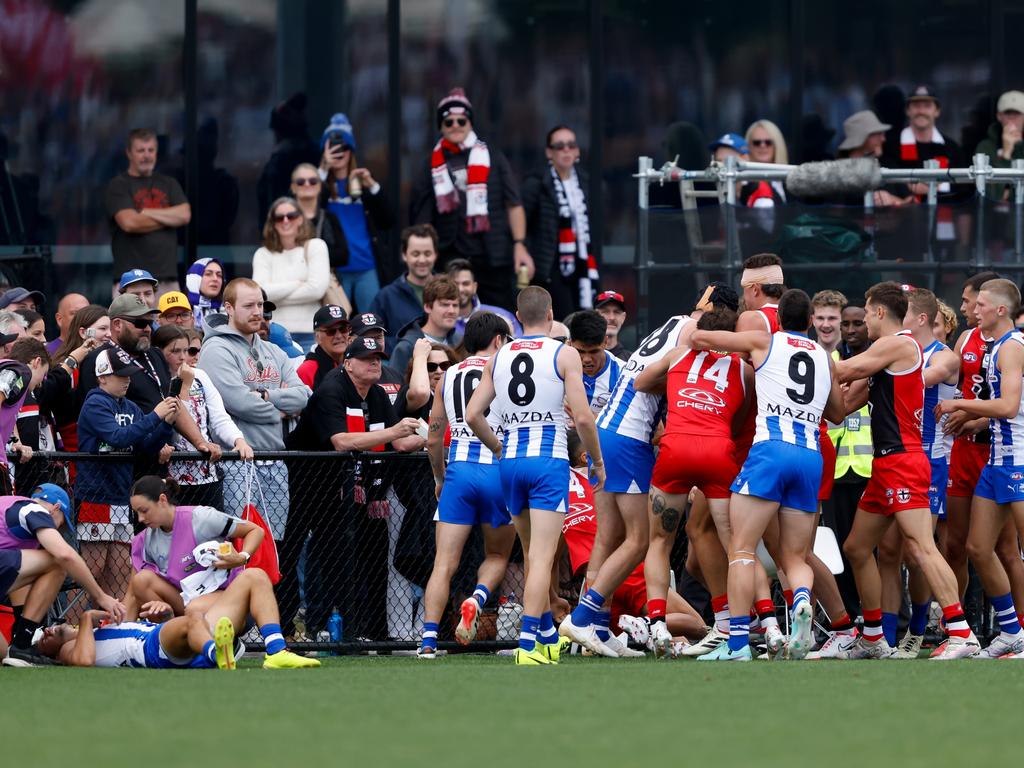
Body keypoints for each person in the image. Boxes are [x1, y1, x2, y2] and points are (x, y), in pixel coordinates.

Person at [690, 289, 844, 661]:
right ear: (809, 322)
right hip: (809, 456)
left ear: (779, 320)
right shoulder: (825, 358)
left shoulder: (765, 340)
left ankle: (738, 644)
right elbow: (837, 412)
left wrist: (707, 328)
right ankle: (802, 601)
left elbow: (701, 337)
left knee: (741, 548)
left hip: (769, 452)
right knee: (795, 557)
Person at [836, 281, 979, 660]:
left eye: (866, 312)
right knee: (857, 546)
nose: (863, 320)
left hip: (903, 460)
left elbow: (847, 369)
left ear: (880, 313)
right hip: (886, 464)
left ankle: (961, 632)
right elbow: (840, 408)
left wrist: (787, 358)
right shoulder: (884, 354)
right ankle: (872, 638)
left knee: (920, 547)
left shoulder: (897, 343)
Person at [466, 287, 604, 665]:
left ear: (516, 316)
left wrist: (497, 447)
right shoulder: (564, 353)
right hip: (547, 460)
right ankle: (528, 644)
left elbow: (473, 415)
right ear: (551, 313)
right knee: (543, 558)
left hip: (510, 462)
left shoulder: (499, 356)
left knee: (530, 554)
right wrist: (597, 462)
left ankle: (544, 635)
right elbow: (584, 416)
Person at [281, 335, 422, 638]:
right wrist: (394, 430)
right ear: (348, 363)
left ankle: (373, 633)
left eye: (378, 358)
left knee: (371, 557)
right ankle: (293, 628)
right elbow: (341, 441)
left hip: (355, 488)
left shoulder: (377, 394)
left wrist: (432, 435)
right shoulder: (332, 389)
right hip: (308, 486)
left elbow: (397, 441)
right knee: (300, 556)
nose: (375, 363)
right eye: (367, 358)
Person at [633, 306, 753, 656]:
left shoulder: (677, 354)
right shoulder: (745, 371)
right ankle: (748, 624)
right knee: (737, 548)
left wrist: (675, 383)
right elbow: (739, 418)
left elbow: (641, 382)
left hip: (675, 448)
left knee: (658, 541)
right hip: (718, 451)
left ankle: (657, 623)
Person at [418, 312, 515, 658]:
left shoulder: (449, 374)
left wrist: (439, 479)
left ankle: (428, 640)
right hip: (496, 470)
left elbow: (432, 437)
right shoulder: (502, 369)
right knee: (498, 553)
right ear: (498, 340)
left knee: (443, 563)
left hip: (458, 472)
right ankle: (476, 599)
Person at [936, 279, 1024, 659]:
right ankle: (1011, 632)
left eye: (981, 304)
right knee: (976, 547)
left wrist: (963, 408)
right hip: (996, 460)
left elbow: (1007, 407)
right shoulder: (992, 346)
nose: (974, 309)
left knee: (1011, 550)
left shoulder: (1013, 347)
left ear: (1000, 311)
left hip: (1018, 459)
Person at [36, 558, 318, 669]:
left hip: (166, 634)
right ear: (49, 652)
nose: (45, 631)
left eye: (43, 629)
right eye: (42, 639)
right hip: (150, 649)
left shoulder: (92, 633)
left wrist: (164, 612)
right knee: (190, 620)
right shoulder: (69, 650)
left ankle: (276, 651)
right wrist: (86, 617)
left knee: (255, 576)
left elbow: (137, 613)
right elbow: (84, 662)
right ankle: (217, 653)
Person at [198, 279, 311, 540]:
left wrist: (264, 395)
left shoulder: (272, 350)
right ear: (228, 307)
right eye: (248, 305)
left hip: (276, 460)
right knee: (237, 545)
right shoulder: (216, 349)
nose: (257, 311)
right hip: (236, 463)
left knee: (270, 547)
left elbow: (303, 396)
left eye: (260, 304)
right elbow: (238, 402)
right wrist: (282, 410)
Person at [883, 287, 959, 658]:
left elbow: (916, 381)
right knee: (887, 550)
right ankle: (881, 636)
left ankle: (922, 630)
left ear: (921, 319)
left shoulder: (944, 356)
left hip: (930, 462)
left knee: (918, 552)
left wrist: (872, 369)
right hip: (898, 458)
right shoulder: (899, 349)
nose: (898, 316)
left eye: (905, 311)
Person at [410, 88, 534, 309]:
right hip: (450, 253)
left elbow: (513, 204)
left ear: (470, 123)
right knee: (450, 311)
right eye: (449, 122)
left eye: (461, 120)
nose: (456, 125)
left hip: (492, 255)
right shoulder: (431, 162)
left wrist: (519, 245)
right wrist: (426, 255)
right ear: (441, 126)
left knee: (500, 314)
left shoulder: (493, 156)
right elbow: (422, 215)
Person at [76, 347, 179, 611]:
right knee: (94, 568)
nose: (127, 380)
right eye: (121, 375)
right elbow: (118, 437)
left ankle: (112, 626)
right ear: (102, 377)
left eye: (129, 375)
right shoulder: (95, 403)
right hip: (95, 495)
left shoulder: (130, 406)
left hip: (122, 497)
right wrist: (155, 415)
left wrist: (166, 423)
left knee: (121, 568)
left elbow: (144, 444)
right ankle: (72, 625)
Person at [1, 485, 127, 667]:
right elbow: (65, 555)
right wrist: (101, 596)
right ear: (56, 509)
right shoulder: (33, 509)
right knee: (58, 562)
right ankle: (21, 645)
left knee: (3, 652)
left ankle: (20, 643)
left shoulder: (10, 508)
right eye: (61, 523)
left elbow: (17, 578)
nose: (58, 528)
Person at [125, 475, 262, 619]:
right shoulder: (144, 539)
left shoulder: (201, 517)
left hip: (227, 596)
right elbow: (131, 594)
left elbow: (255, 531)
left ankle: (223, 638)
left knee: (194, 609)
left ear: (162, 500)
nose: (140, 518)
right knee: (141, 581)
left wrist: (242, 557)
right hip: (187, 603)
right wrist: (120, 632)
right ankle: (170, 634)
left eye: (144, 510)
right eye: (137, 513)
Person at [152, 325, 252, 508]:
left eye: (185, 350)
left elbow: (219, 417)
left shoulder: (200, 376)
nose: (183, 357)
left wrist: (238, 440)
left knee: (213, 534)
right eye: (175, 351)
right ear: (159, 352)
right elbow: (176, 422)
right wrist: (184, 387)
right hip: (173, 478)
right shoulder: (156, 380)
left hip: (207, 472)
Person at [521, 125, 598, 318]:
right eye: (560, 146)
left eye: (571, 145)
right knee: (561, 317)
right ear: (549, 152)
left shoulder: (585, 182)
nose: (566, 150)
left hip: (582, 262)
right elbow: (523, 224)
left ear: (577, 151)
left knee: (584, 315)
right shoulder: (537, 183)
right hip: (551, 264)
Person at [317, 114, 392, 312]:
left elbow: (388, 220)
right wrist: (323, 168)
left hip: (366, 265)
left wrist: (373, 186)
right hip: (334, 269)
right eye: (332, 147)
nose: (339, 152)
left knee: (371, 322)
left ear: (352, 151)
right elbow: (310, 209)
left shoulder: (362, 183)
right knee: (336, 324)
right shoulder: (318, 184)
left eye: (344, 148)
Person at [105, 128, 191, 294]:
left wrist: (146, 212)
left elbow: (185, 215)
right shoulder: (118, 185)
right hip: (130, 283)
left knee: (176, 321)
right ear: (129, 153)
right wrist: (169, 217)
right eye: (141, 150)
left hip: (168, 282)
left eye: (151, 150)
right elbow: (129, 223)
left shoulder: (169, 183)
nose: (147, 155)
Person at [252, 196, 330, 352]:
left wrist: (275, 295)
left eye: (291, 216)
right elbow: (260, 294)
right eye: (279, 218)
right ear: (273, 223)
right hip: (273, 334)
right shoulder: (263, 253)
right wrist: (298, 284)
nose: (286, 221)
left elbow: (317, 290)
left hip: (311, 333)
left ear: (300, 219)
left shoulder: (316, 246)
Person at [289, 163, 352, 317]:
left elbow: (343, 255)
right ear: (293, 187)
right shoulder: (285, 217)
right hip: (293, 285)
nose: (307, 184)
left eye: (312, 181)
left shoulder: (330, 218)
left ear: (319, 186)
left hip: (324, 288)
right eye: (301, 181)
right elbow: (276, 248)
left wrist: (314, 256)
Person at [370, 224, 439, 350]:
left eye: (427, 253)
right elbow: (371, 339)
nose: (422, 259)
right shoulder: (386, 297)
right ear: (404, 255)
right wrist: (405, 346)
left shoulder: (449, 293)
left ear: (436, 254)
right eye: (416, 254)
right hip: (401, 366)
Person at [834, 111, 912, 207]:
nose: (883, 139)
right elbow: (836, 215)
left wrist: (893, 200)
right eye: (877, 134)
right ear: (861, 138)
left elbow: (911, 203)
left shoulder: (888, 165)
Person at [388, 275, 461, 376]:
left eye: (455, 305)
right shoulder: (407, 347)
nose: (451, 311)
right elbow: (395, 386)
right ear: (427, 307)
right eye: (445, 305)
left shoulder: (460, 341)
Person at [446, 258, 521, 338]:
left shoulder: (501, 316)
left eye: (466, 284)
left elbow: (519, 345)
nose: (460, 289)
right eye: (455, 284)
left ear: (475, 287)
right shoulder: (441, 320)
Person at [568, 310, 623, 415]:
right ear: (570, 343)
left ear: (605, 342)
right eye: (580, 351)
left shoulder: (622, 374)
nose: (587, 359)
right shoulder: (556, 367)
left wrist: (591, 422)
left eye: (594, 351)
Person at [976, 90, 1024, 201]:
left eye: (1017, 114)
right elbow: (994, 197)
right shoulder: (985, 147)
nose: (1012, 119)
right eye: (1008, 113)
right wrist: (1006, 153)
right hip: (997, 217)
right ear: (999, 116)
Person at [296, 305, 351, 390]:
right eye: (331, 331)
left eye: (343, 329)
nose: (339, 336)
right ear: (317, 337)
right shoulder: (306, 370)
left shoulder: (358, 362)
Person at [744, 119, 789, 202]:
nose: (762, 146)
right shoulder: (741, 181)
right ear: (748, 147)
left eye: (768, 142)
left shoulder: (789, 181)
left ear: (777, 145)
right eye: (757, 142)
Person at [184, 257, 224, 331]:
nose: (215, 279)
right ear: (194, 278)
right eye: (208, 274)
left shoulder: (229, 310)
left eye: (219, 275)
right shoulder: (180, 309)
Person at [811, 290, 847, 356]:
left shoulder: (856, 357)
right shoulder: (804, 355)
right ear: (812, 320)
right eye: (820, 318)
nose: (826, 325)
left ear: (844, 320)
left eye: (832, 318)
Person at [595, 290, 630, 358]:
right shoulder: (583, 359)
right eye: (605, 312)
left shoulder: (632, 361)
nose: (612, 317)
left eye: (616, 312)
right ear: (595, 315)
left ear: (623, 318)